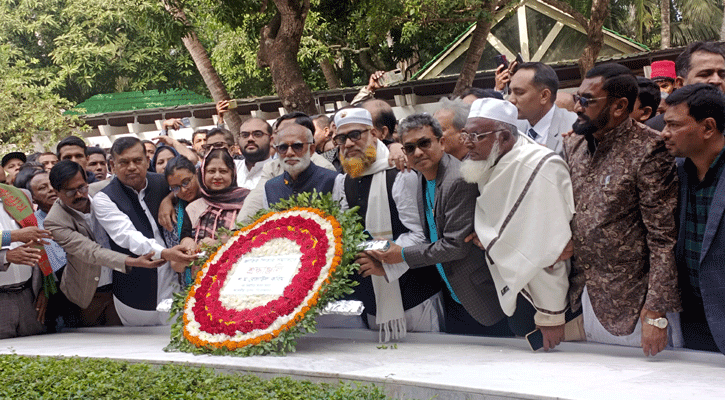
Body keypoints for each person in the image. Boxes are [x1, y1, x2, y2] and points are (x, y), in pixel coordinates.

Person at [565, 63, 680, 356]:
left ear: (619, 106)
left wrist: (655, 311)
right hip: (586, 297)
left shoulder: (649, 150)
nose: (578, 107)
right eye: (578, 97)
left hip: (635, 307)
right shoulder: (575, 145)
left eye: (587, 100)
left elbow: (663, 238)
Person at [366, 113, 509, 337]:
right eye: (410, 148)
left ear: (441, 142)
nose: (418, 152)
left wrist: (401, 254)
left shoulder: (457, 180)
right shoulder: (421, 176)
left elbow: (455, 246)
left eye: (424, 143)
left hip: (479, 297)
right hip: (451, 294)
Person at [457, 99, 575, 349]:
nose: (467, 143)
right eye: (465, 134)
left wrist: (551, 315)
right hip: (516, 294)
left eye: (476, 136)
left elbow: (553, 249)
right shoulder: (490, 161)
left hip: (549, 306)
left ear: (505, 137)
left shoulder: (540, 166)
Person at [332, 108, 443, 339]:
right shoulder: (343, 182)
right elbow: (346, 234)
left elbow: (419, 234)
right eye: (341, 139)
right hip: (372, 296)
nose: (348, 143)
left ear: (373, 133)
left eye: (355, 135)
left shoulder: (401, 173)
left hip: (415, 295)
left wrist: (384, 261)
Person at [45, 161, 165, 327]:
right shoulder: (54, 221)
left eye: (82, 187)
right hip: (88, 295)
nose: (79, 195)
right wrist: (132, 262)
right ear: (56, 192)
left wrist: (168, 200)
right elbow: (90, 251)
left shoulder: (105, 192)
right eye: (71, 191)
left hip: (121, 287)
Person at [92, 137, 196, 326]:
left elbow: (192, 183)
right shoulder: (104, 199)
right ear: (112, 165)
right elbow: (126, 235)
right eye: (124, 162)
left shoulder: (162, 183)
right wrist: (164, 253)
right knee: (140, 347)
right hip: (134, 293)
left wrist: (169, 197)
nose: (131, 167)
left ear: (147, 161)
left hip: (174, 282)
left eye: (137, 161)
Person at [661, 84, 725, 354]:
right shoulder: (676, 172)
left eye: (674, 125)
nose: (665, 133)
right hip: (692, 315)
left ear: (708, 128)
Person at [0, 182, 52, 339]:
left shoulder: (16, 194)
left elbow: (37, 242)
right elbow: (21, 235)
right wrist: (6, 256)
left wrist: (44, 288)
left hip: (29, 297)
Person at [180, 149, 250, 254]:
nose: (217, 176)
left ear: (232, 174)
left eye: (223, 171)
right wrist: (188, 244)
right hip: (200, 268)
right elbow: (185, 237)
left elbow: (253, 235)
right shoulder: (193, 207)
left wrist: (219, 243)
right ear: (203, 173)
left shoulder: (247, 201)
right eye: (211, 171)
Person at [26, 170, 70, 331]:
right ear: (33, 198)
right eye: (43, 188)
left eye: (52, 184)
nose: (51, 189)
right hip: (54, 292)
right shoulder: (30, 225)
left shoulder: (79, 213)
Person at [647, 41, 725, 131]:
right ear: (680, 83)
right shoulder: (656, 127)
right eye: (705, 74)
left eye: (722, 75)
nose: (716, 80)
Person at [507, 62, 577, 154]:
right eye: (510, 92)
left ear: (544, 96)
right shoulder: (511, 127)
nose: (510, 99)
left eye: (519, 92)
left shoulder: (573, 128)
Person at [263, 124, 339, 207]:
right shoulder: (270, 187)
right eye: (283, 147)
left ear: (311, 149)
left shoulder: (333, 180)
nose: (289, 153)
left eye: (297, 146)